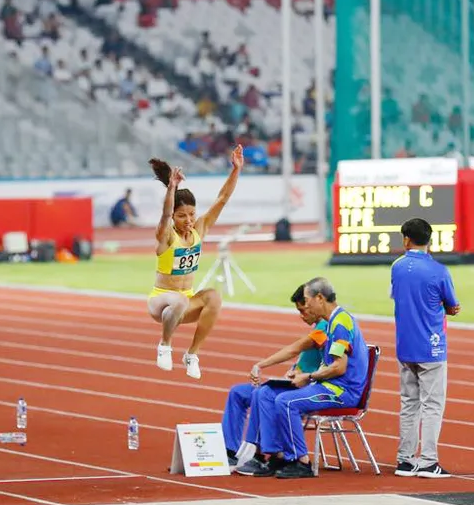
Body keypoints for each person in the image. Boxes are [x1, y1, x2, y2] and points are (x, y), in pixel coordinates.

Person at [235, 277, 370, 479]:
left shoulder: (340, 323)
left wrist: (308, 376)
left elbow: (339, 367)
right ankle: (275, 455)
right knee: (267, 393)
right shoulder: (331, 322)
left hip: (341, 392)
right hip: (326, 385)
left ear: (320, 298)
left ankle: (301, 461)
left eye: (306, 300)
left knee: (286, 402)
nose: (305, 306)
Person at [147, 144, 244, 379]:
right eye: (182, 216)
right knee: (178, 300)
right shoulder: (166, 235)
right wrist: (172, 187)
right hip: (161, 301)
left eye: (191, 214)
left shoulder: (199, 228)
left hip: (185, 301)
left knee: (214, 296)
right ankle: (165, 345)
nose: (188, 220)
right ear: (174, 217)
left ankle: (192, 354)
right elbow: (165, 213)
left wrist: (236, 170)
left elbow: (222, 199)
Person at [221, 283, 327, 465]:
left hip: (308, 389)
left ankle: (260, 452)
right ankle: (229, 450)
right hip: (293, 384)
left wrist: (261, 365)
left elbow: (295, 349)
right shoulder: (317, 327)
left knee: (262, 395)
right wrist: (294, 370)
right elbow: (307, 359)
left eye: (304, 310)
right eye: (299, 312)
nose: (302, 316)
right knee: (238, 393)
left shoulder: (325, 328)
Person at [390, 218, 460, 479]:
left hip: (405, 345)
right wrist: (447, 308)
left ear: (406, 239)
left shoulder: (396, 267)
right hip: (431, 346)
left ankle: (405, 460)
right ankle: (429, 462)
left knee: (409, 403)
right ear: (429, 239)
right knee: (432, 405)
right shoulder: (439, 271)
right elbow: (451, 305)